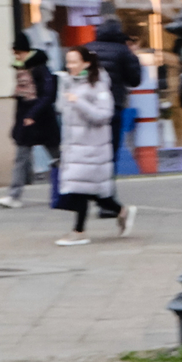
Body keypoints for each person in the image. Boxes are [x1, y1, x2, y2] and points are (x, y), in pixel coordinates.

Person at [53, 47, 131, 244]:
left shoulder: (98, 86)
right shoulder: (70, 83)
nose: (70, 66)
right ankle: (121, 210)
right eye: (68, 62)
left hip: (92, 148)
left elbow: (104, 115)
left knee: (80, 189)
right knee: (92, 192)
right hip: (75, 147)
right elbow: (62, 110)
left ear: (86, 63)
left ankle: (78, 232)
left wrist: (78, 101)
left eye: (74, 62)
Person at [0, 38, 57, 207]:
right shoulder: (21, 69)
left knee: (57, 157)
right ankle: (14, 195)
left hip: (43, 119)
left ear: (25, 51)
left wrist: (32, 114)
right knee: (21, 158)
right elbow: (20, 98)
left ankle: (67, 190)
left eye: (18, 53)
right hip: (26, 119)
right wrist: (18, 123)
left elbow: (47, 95)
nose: (16, 57)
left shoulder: (40, 68)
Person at [88, 16, 141, 162]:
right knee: (112, 145)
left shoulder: (87, 49)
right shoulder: (123, 51)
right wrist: (133, 56)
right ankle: (107, 177)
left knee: (92, 144)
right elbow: (135, 80)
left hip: (89, 103)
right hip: (114, 103)